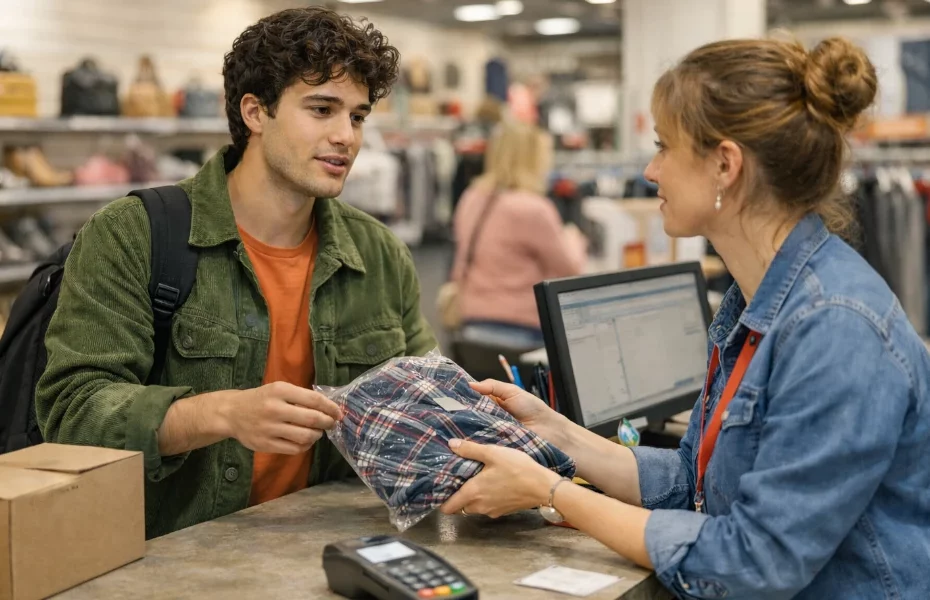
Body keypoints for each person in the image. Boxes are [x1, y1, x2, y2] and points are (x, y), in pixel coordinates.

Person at [439, 36, 930, 599]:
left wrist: (552, 491)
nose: (650, 170)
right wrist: (559, 435)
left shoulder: (835, 327)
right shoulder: (755, 300)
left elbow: (751, 563)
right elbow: (693, 483)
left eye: (663, 146)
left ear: (725, 164)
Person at [36, 7, 437, 539]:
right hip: (172, 559)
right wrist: (222, 413)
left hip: (333, 546)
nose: (347, 136)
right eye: (322, 109)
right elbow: (72, 411)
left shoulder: (380, 255)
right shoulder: (134, 234)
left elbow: (423, 406)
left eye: (358, 116)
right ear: (255, 112)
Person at [450, 121, 587, 349]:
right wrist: (574, 238)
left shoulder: (471, 197)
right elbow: (569, 269)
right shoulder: (533, 209)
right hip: (521, 331)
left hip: (471, 327)